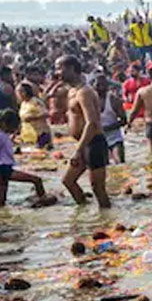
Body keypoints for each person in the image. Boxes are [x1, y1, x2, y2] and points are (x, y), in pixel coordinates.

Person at [58, 55, 110, 209]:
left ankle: (107, 221)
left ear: (72, 69)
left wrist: (78, 151)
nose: (57, 72)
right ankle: (85, 213)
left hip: (94, 144)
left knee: (98, 188)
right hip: (83, 143)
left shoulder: (84, 92)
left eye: (60, 68)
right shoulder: (72, 91)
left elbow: (91, 123)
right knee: (68, 181)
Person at [0, 108, 46, 206]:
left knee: (0, 201)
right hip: (1, 169)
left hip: (3, 168)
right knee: (36, 180)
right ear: (4, 124)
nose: (13, 130)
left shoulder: (2, 133)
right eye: (13, 127)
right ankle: (43, 199)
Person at [96, 76, 126, 164]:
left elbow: (124, 120)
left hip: (115, 138)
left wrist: (108, 128)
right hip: (99, 139)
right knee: (103, 166)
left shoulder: (114, 100)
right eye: (98, 85)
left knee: (120, 164)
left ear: (107, 86)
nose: (100, 87)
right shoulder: (90, 101)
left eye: (102, 85)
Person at [17, 82, 52, 150]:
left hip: (41, 134)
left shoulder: (35, 102)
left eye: (21, 91)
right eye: (18, 92)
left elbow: (46, 114)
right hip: (29, 136)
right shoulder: (23, 104)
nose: (19, 94)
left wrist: (33, 118)